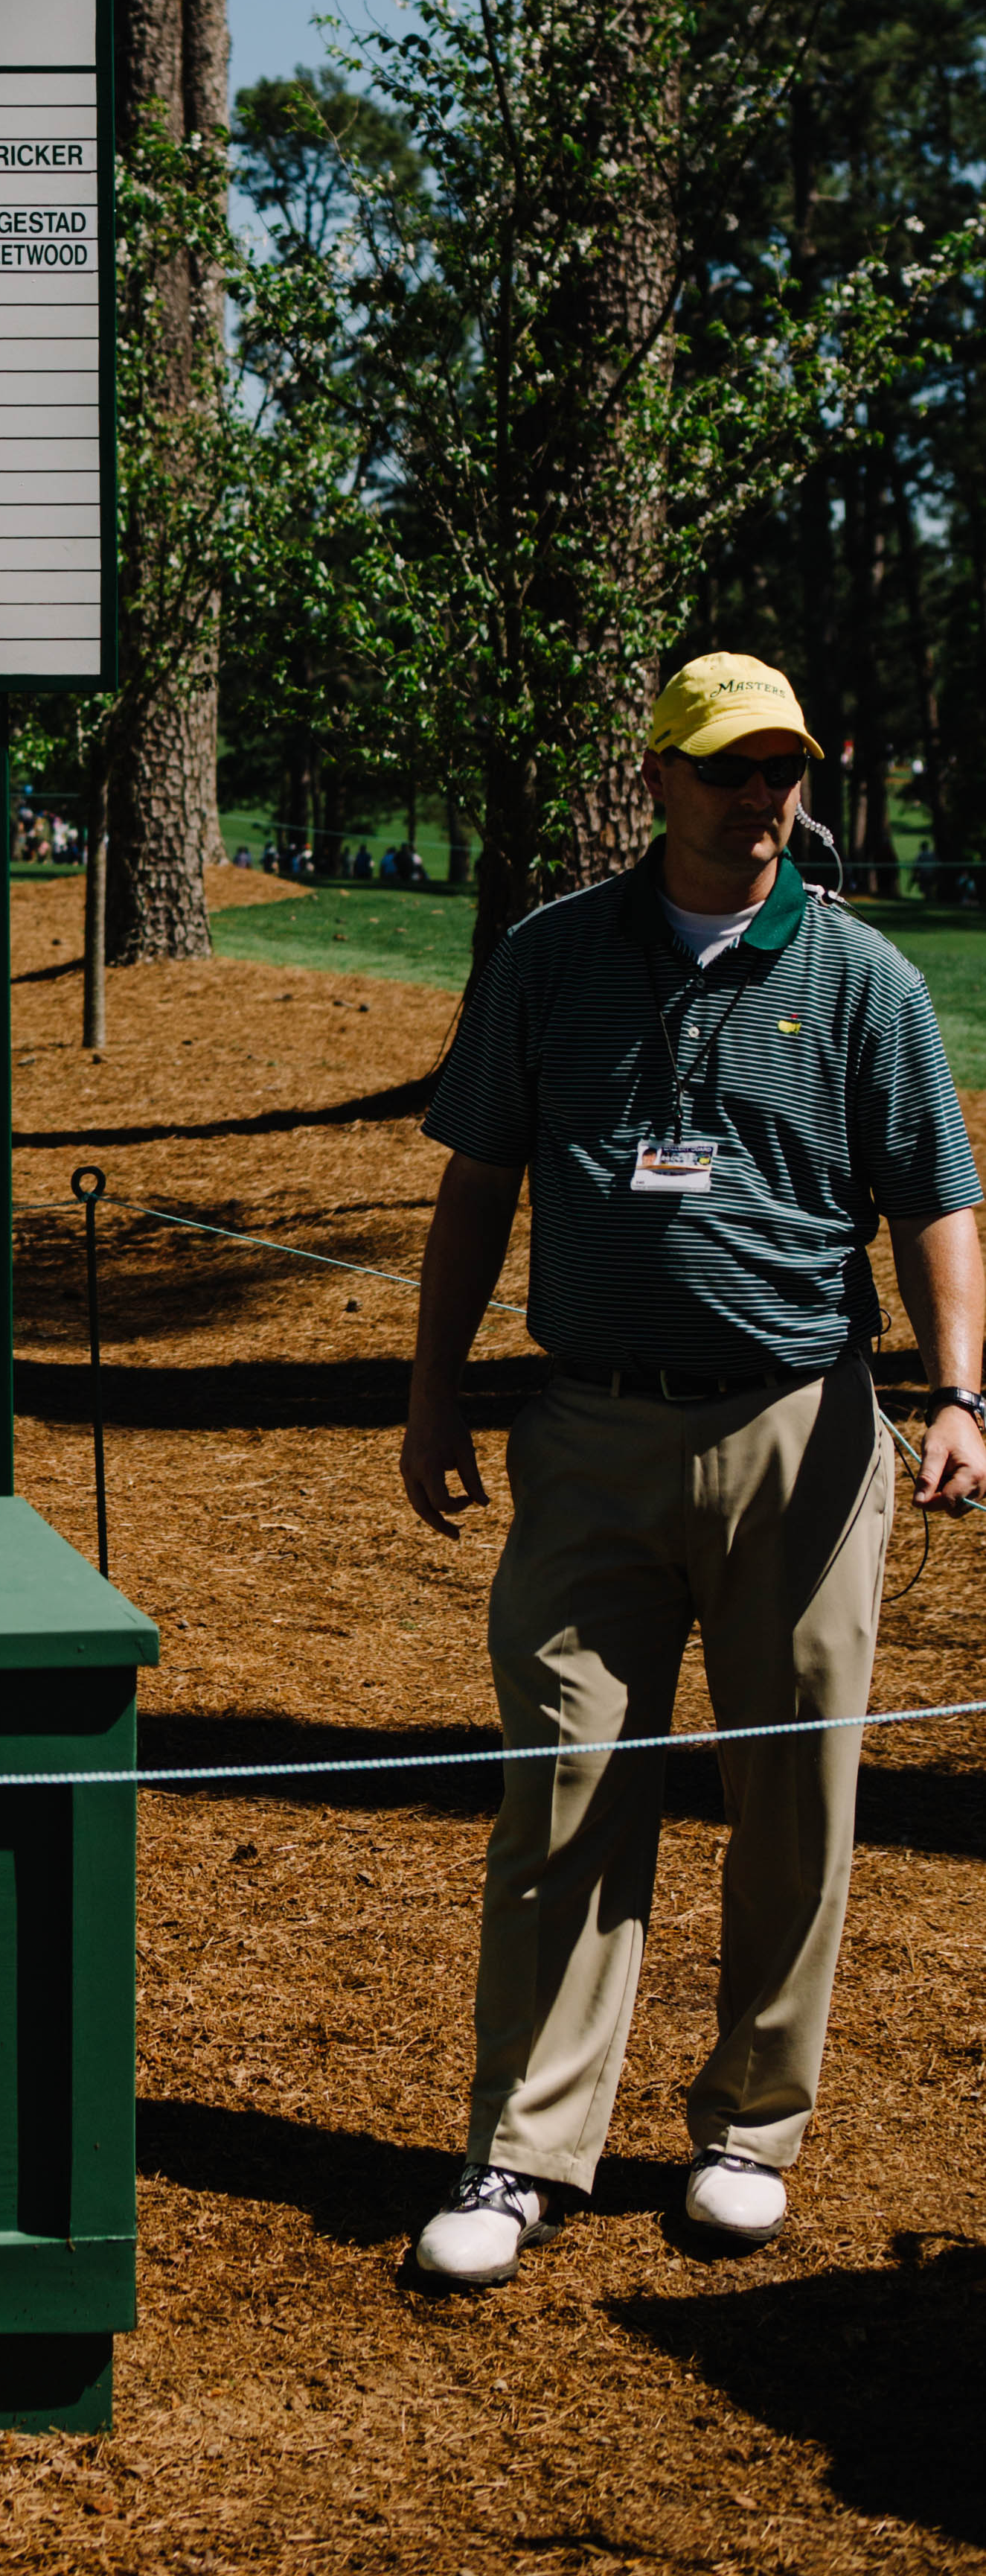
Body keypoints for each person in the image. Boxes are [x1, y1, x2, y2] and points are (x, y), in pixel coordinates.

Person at [402, 651, 985, 2289]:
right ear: (654, 779)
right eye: (728, 766)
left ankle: (745, 2128)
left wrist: (961, 1396)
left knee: (791, 1788)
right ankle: (521, 2149)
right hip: (585, 1434)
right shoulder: (544, 960)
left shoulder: (863, 978)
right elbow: (476, 1186)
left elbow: (937, 1197)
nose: (759, 796)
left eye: (782, 766)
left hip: (800, 1433)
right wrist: (432, 1392)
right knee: (566, 1782)